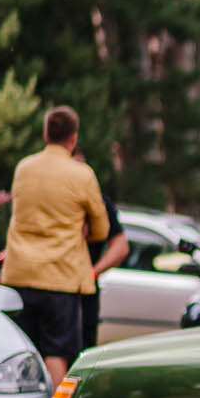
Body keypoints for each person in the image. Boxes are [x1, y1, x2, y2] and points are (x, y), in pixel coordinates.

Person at [1, 107, 108, 385]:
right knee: (57, 353)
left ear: (45, 134)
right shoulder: (82, 175)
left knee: (21, 351)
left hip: (19, 274)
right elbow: (101, 230)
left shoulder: (23, 168)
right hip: (60, 278)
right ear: (73, 138)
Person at [74, 151, 127, 353]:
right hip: (56, 286)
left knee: (81, 350)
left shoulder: (99, 203)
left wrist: (93, 272)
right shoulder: (53, 201)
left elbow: (121, 246)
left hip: (84, 289)